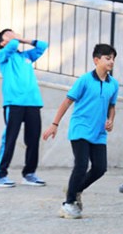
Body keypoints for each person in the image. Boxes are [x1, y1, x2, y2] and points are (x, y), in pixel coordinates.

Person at [42, 44, 118, 219]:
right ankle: (68, 203)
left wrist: (111, 120)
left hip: (99, 132)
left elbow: (112, 106)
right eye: (108, 58)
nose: (111, 61)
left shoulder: (113, 84)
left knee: (100, 168)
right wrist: (54, 124)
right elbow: (67, 102)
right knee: (81, 165)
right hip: (80, 129)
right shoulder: (84, 80)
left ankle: (75, 188)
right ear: (96, 60)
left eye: (113, 58)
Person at [0, 29, 48, 188]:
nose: (14, 36)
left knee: (33, 139)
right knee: (9, 139)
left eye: (14, 34)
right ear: (2, 43)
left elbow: (43, 46)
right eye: (8, 35)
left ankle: (29, 174)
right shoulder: (3, 56)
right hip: (14, 103)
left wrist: (23, 39)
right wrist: (16, 39)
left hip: (33, 103)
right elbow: (13, 45)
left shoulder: (26, 57)